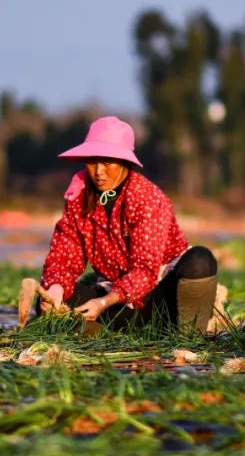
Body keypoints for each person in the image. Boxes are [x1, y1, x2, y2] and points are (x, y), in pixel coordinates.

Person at [33, 116, 219, 333]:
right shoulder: (79, 196)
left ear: (124, 163)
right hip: (118, 301)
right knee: (46, 303)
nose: (99, 171)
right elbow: (64, 254)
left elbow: (145, 270)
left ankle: (188, 337)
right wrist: (55, 291)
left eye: (107, 162)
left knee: (200, 260)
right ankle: (98, 329)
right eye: (92, 162)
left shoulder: (147, 198)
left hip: (159, 298)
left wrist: (104, 303)